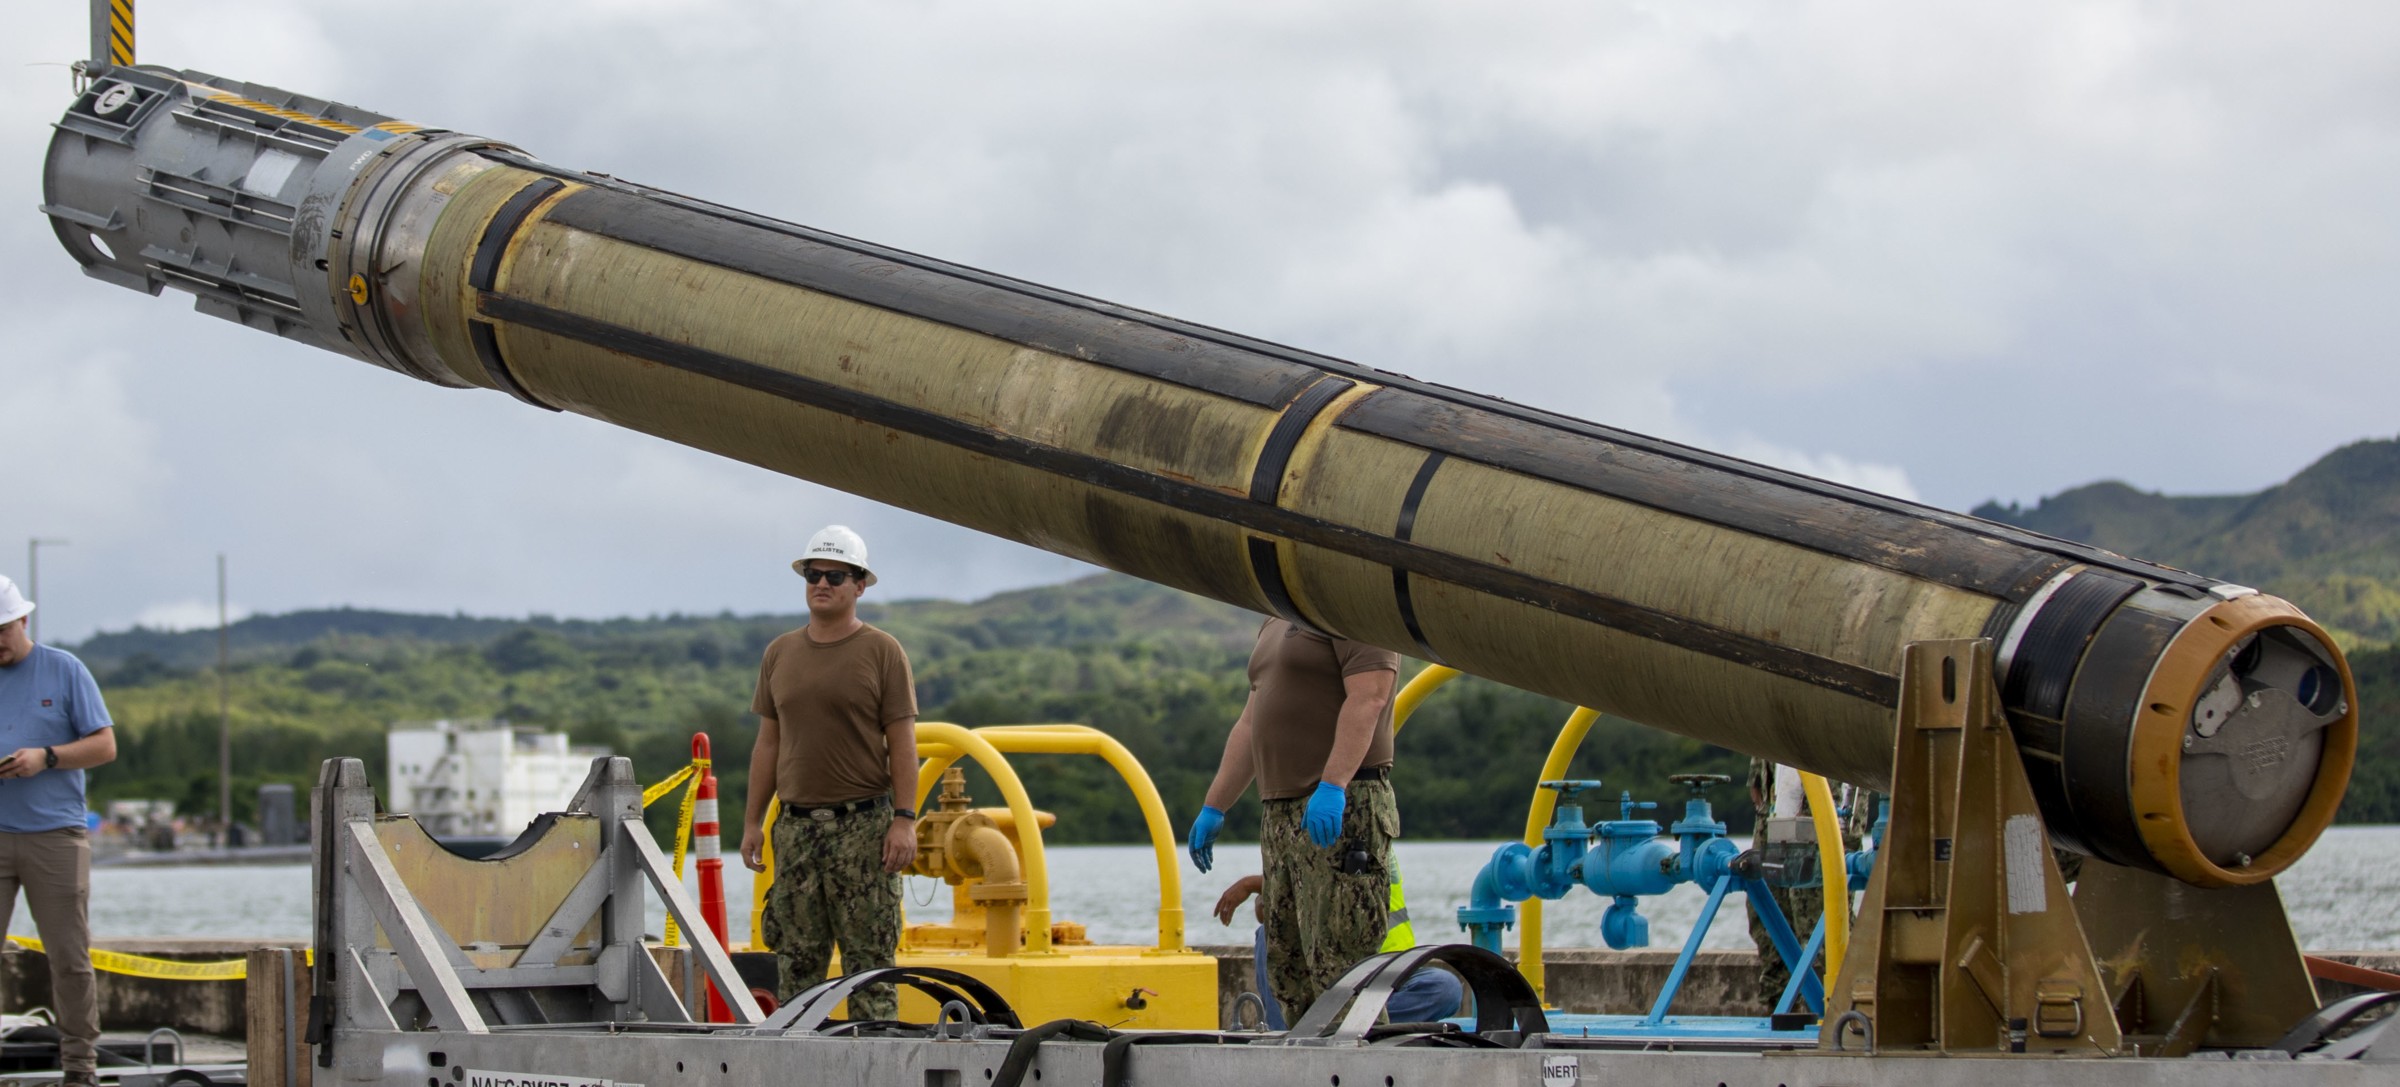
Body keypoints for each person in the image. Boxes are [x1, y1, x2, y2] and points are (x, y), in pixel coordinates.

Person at [736, 527, 918, 1020]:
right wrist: (753, 823)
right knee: (796, 963)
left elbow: (902, 741)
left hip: (864, 827)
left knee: (870, 964)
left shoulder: (883, 652)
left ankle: (877, 1064)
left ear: (860, 585)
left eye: (835, 576)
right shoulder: (779, 653)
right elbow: (768, 743)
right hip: (794, 829)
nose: (822, 584)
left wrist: (905, 819)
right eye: (813, 574)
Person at [1187, 618, 1400, 1021]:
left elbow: (1370, 696)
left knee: (1342, 968)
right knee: (1288, 964)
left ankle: (1364, 1068)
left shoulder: (1352, 604)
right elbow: (1251, 722)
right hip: (1280, 811)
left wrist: (1334, 783)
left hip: (1342, 803)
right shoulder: (1274, 617)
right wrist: (1216, 805)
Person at [0, 575, 117, 1087]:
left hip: (55, 835)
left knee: (69, 957)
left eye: (0, 630)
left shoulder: (65, 669)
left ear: (22, 620)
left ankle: (79, 1068)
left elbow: (104, 746)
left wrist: (45, 757)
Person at [1214, 869, 1461, 1028]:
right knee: (1269, 934)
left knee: (1445, 988)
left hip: (1387, 971)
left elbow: (1331, 881)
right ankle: (1287, 1035)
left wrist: (1252, 883)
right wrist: (1263, 888)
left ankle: (1340, 1025)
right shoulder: (1298, 835)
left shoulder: (1372, 846)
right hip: (1328, 969)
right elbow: (1264, 911)